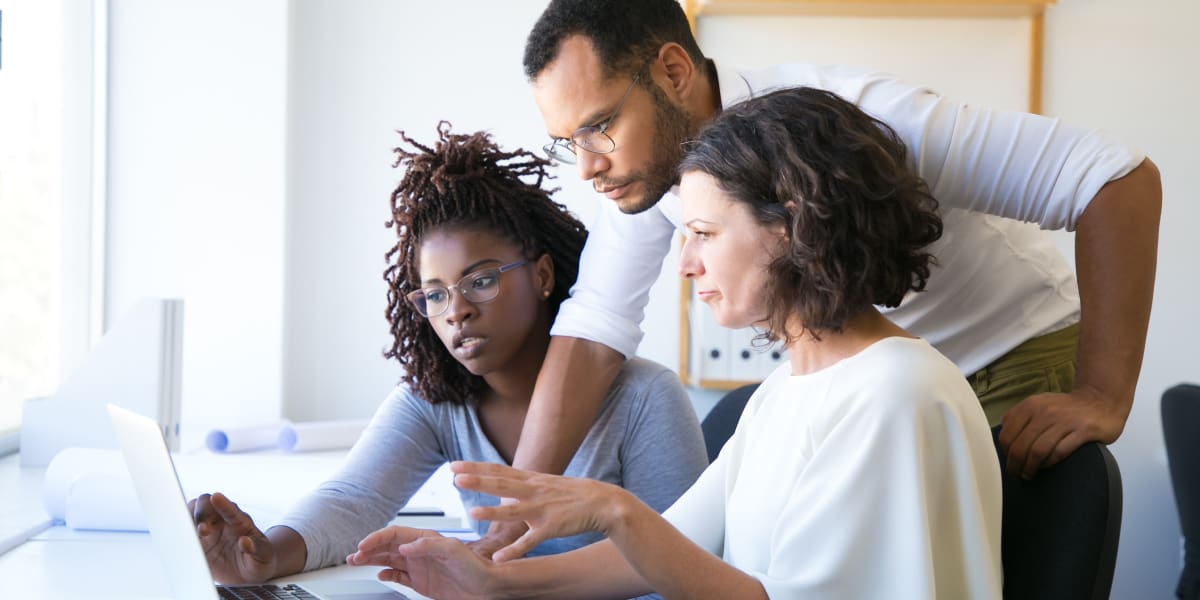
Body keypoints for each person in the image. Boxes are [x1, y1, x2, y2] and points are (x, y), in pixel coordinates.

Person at [469, 0, 1163, 556]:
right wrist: (509, 521)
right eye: (570, 143)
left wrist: (1104, 390)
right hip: (864, 381)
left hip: (1007, 354)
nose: (587, 165)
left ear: (674, 72)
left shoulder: (863, 119)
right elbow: (593, 327)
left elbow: (1114, 180)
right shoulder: (646, 172)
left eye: (600, 125)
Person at [346, 87, 1004, 599]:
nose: (685, 263)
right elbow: (674, 546)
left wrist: (613, 509)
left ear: (791, 225)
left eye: (704, 234)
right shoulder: (784, 393)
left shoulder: (893, 394)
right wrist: (489, 581)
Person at [187, 123, 708, 584]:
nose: (455, 311)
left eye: (480, 280)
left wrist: (505, 587)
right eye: (434, 294)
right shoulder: (437, 399)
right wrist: (268, 555)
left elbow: (685, 569)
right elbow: (354, 501)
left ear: (543, 275)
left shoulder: (644, 399)